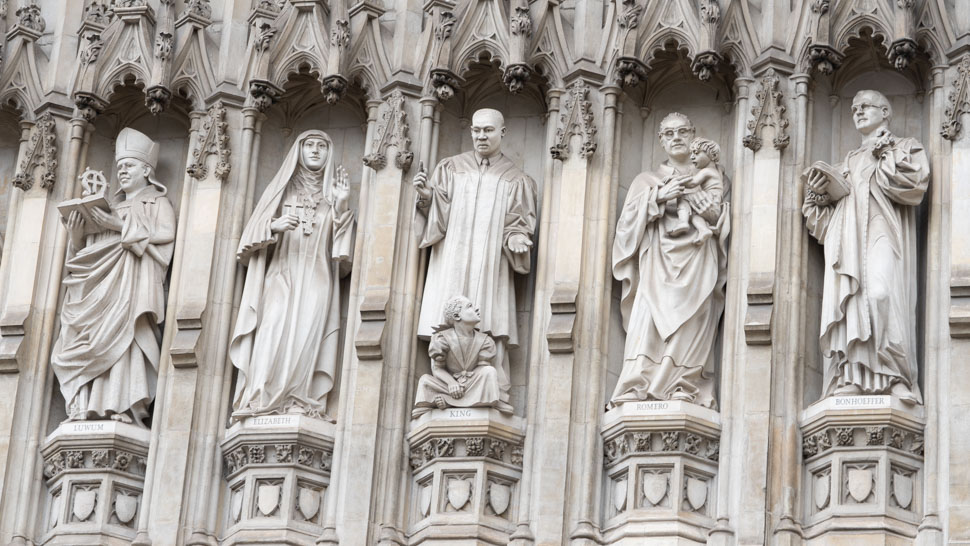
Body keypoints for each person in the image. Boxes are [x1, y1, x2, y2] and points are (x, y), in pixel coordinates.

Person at [802, 90, 928, 404]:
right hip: (848, 242)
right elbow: (822, 223)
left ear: (886, 112)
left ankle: (895, 375)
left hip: (883, 232)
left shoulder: (905, 147)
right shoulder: (848, 161)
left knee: (880, 294)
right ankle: (851, 377)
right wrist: (818, 195)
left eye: (866, 106)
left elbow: (912, 188)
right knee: (852, 302)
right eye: (854, 108)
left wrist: (885, 155)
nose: (858, 112)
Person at [51, 128, 176, 426]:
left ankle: (122, 405)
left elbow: (166, 235)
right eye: (119, 167)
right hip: (98, 291)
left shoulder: (156, 203)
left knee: (124, 341)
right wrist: (77, 233)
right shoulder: (111, 206)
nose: (122, 171)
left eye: (129, 166)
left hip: (130, 290)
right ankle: (87, 405)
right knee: (87, 340)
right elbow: (86, 254)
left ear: (146, 170)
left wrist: (117, 226)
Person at [413, 108, 537, 402]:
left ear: (502, 133)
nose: (481, 136)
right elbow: (436, 218)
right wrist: (427, 198)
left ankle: (490, 384)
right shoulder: (450, 168)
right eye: (476, 130)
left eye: (488, 130)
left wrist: (518, 237)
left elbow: (519, 221)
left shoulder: (516, 178)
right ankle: (443, 379)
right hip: (452, 257)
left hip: (490, 263)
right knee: (450, 309)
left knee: (488, 314)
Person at [229, 130, 355, 421]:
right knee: (272, 328)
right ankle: (260, 397)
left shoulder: (332, 196)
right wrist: (273, 226)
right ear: (298, 151)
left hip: (317, 276)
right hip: (282, 272)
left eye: (322, 146)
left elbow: (343, 257)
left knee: (307, 336)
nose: (315, 151)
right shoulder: (281, 191)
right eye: (309, 145)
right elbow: (245, 246)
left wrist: (342, 206)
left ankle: (299, 399)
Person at [610, 113, 730, 409]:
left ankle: (685, 385)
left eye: (682, 132)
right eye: (669, 133)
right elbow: (625, 228)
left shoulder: (712, 177)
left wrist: (709, 212)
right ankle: (639, 383)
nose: (676, 137)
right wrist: (659, 197)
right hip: (655, 265)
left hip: (698, 260)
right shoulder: (645, 181)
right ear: (661, 141)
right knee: (647, 320)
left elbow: (719, 216)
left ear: (693, 136)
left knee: (693, 319)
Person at [412, 296, 513, 418]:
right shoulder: (441, 339)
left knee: (489, 372)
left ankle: (447, 401)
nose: (476, 309)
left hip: (472, 383)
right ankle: (451, 398)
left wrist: (464, 385)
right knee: (425, 380)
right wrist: (451, 383)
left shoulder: (485, 340)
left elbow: (482, 367)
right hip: (448, 384)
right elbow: (438, 368)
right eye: (469, 306)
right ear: (456, 316)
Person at [668, 137, 724, 245]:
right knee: (694, 213)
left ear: (711, 155)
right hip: (714, 203)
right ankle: (703, 230)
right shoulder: (718, 170)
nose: (692, 157)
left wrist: (675, 180)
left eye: (696, 153)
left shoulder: (707, 171)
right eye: (691, 153)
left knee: (683, 198)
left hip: (709, 199)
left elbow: (692, 183)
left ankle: (683, 222)